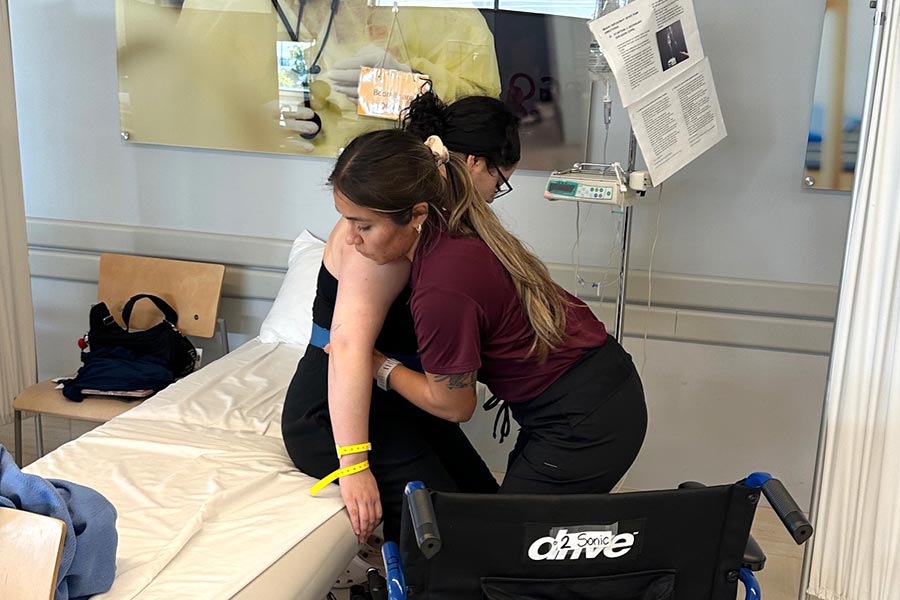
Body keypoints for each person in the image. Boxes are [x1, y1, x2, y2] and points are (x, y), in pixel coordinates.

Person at [329, 128, 648, 497]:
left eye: (363, 225)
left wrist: (381, 366)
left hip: (585, 418)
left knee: (510, 550)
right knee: (504, 532)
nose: (351, 239)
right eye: (347, 220)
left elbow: (453, 406)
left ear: (416, 214)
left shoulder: (440, 288)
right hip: (598, 387)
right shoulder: (452, 220)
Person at [280, 91, 522, 545]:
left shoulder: (421, 219)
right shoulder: (377, 243)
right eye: (499, 179)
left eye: (359, 224)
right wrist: (353, 466)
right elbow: (349, 347)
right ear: (473, 163)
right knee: (454, 534)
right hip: (331, 414)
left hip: (392, 400)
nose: (350, 237)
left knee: (488, 510)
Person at [117, 0, 501, 156]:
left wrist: (412, 87)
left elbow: (486, 127)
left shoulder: (438, 10)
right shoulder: (226, 7)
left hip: (398, 210)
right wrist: (247, 129)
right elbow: (168, 115)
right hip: (267, 198)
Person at [403, 88, 520, 204]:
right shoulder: (426, 215)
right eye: (497, 186)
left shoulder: (403, 190)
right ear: (475, 161)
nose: (490, 200)